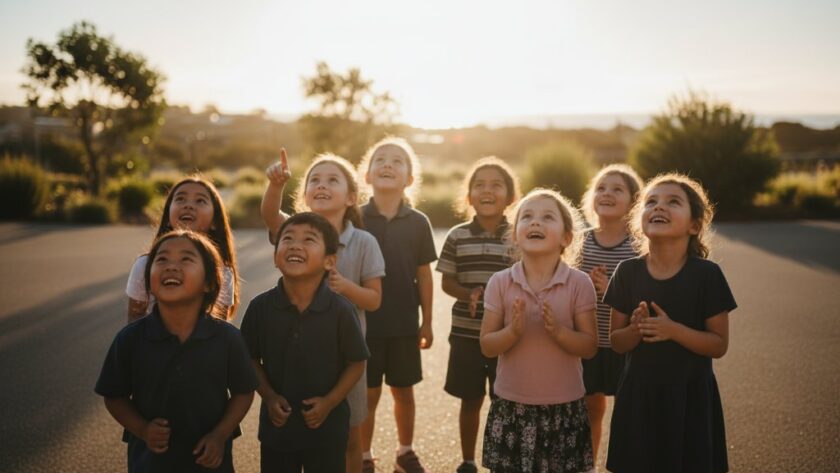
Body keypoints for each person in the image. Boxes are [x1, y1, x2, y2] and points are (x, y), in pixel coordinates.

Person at [261, 149, 385, 473]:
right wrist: (276, 185)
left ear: (352, 197)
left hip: (346, 360)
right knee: (298, 438)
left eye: (333, 180)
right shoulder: (295, 230)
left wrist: (345, 287)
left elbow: (374, 300)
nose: (322, 184)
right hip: (296, 352)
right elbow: (270, 215)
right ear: (303, 195)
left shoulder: (364, 242)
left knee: (349, 435)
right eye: (314, 179)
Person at [605, 173, 737, 473]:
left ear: (694, 225)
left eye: (673, 202)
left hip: (690, 397)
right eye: (650, 201)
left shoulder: (707, 275)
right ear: (639, 220)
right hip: (638, 396)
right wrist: (635, 330)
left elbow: (718, 345)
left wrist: (672, 330)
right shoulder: (627, 272)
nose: (658, 207)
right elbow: (616, 342)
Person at [95, 229, 257, 472]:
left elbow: (243, 392)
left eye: (186, 259)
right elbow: (114, 396)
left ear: (210, 283)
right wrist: (143, 429)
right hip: (151, 462)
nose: (171, 266)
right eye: (162, 259)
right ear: (149, 279)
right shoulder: (130, 338)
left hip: (210, 461)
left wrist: (219, 436)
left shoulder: (227, 338)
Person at [480, 189, 597, 473]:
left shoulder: (579, 283)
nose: (535, 223)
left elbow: (589, 346)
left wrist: (558, 332)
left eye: (547, 217)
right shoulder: (500, 282)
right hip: (512, 408)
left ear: (567, 238)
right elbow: (487, 345)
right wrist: (512, 332)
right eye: (527, 217)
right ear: (515, 234)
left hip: (564, 409)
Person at [241, 212, 369, 472]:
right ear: (276, 257)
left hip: (327, 429)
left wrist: (330, 402)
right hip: (278, 429)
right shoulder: (260, 308)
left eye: (308, 239)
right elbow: (249, 359)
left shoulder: (341, 310)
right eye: (287, 239)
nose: (295, 245)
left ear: (329, 261)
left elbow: (356, 362)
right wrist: (268, 395)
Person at [357, 137, 437, 473]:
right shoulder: (355, 218)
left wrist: (428, 321)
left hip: (405, 323)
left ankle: (405, 451)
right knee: (368, 395)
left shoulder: (418, 221)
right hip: (365, 325)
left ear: (409, 178)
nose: (388, 164)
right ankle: (363, 455)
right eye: (380, 159)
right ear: (367, 175)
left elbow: (425, 275)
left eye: (397, 161)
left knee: (403, 392)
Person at [436, 156, 520, 473]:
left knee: (505, 402)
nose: (487, 190)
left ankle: (504, 460)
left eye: (496, 185)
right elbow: (446, 281)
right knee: (470, 399)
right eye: (479, 185)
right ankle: (468, 460)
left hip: (506, 337)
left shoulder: (517, 235)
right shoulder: (457, 235)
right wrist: (467, 294)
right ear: (469, 195)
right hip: (466, 333)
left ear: (510, 197)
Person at [577, 164, 643, 462]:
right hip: (588, 342)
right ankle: (588, 465)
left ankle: (629, 462)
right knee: (591, 407)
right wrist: (585, 286)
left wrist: (610, 290)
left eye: (617, 189)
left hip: (624, 341)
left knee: (630, 410)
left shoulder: (639, 246)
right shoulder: (579, 240)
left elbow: (646, 295)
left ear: (633, 202)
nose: (607, 193)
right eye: (601, 188)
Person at [126, 176, 239, 322]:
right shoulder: (144, 265)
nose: (188, 205)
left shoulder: (223, 272)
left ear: (215, 222)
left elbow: (221, 332)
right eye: (180, 199)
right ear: (167, 216)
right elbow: (134, 320)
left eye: (200, 200)